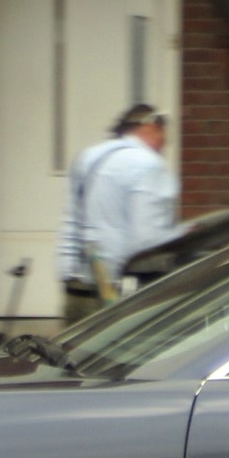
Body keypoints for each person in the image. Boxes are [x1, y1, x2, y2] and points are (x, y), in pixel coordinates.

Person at [58, 104, 178, 322]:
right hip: (115, 296)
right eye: (163, 134)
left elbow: (72, 218)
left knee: (71, 354)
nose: (165, 143)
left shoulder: (88, 158)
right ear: (150, 127)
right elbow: (149, 239)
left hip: (77, 284)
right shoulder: (150, 165)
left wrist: (67, 271)